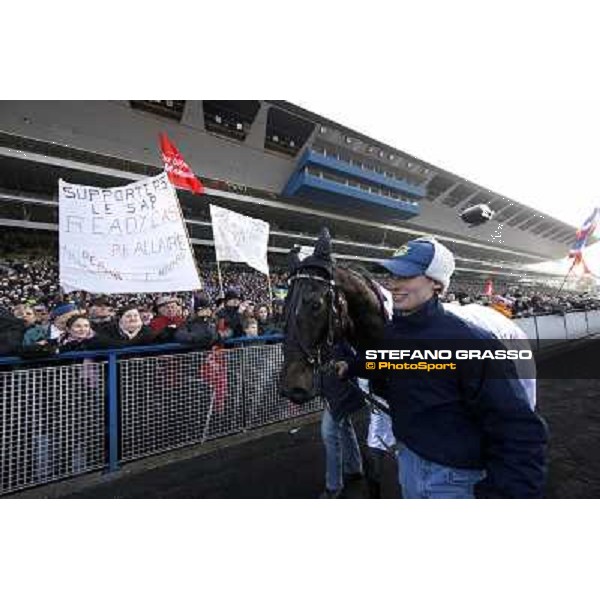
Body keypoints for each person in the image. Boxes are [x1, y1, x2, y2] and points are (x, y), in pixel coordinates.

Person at [338, 236, 548, 499]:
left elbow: (518, 429)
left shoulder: (473, 342)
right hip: (409, 465)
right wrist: (351, 366)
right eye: (391, 276)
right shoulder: (395, 332)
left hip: (454, 479)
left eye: (405, 276)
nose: (393, 284)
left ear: (436, 283)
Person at [319, 341, 366, 498]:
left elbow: (356, 359)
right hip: (337, 391)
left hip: (341, 391)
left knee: (329, 432)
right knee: (344, 424)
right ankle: (354, 467)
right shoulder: (322, 338)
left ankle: (333, 485)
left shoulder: (339, 335)